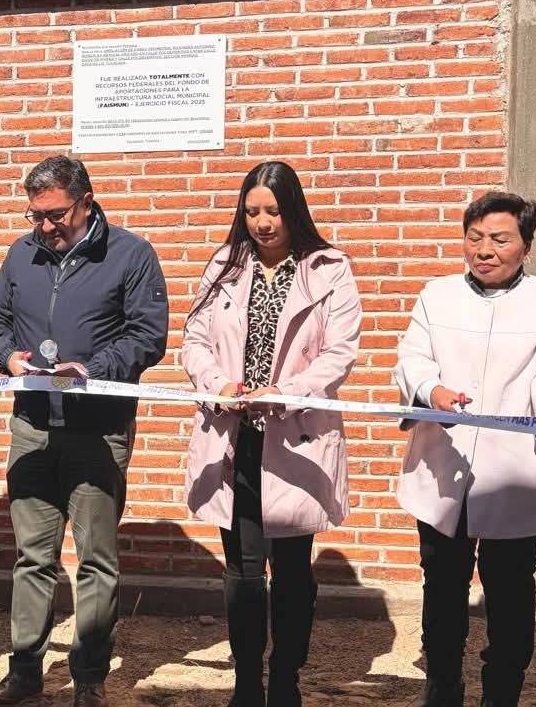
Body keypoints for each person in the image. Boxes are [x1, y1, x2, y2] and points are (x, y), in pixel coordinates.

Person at [0, 155, 168, 707]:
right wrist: (7, 357)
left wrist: (94, 369)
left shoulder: (131, 255)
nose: (45, 226)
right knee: (32, 558)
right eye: (35, 215)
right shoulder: (22, 254)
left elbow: (148, 335)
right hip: (32, 427)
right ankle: (25, 673)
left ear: (86, 201)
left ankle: (89, 677)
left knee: (96, 561)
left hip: (98, 430)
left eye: (55, 214)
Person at [394, 192, 536, 707]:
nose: (484, 250)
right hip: (446, 463)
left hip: (514, 470)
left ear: (526, 246)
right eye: (475, 237)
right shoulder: (437, 295)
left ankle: (502, 691)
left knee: (510, 588)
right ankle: (442, 685)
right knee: (442, 584)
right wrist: (431, 390)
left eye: (500, 240)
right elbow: (412, 358)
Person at [180, 161, 361, 707]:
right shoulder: (224, 267)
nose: (262, 222)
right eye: (252, 211)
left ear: (293, 211)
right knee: (242, 570)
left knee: (292, 570)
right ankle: (246, 682)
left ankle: (286, 677)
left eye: (274, 211)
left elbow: (339, 353)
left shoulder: (328, 270)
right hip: (235, 435)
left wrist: (286, 391)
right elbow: (194, 340)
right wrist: (216, 383)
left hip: (294, 435)